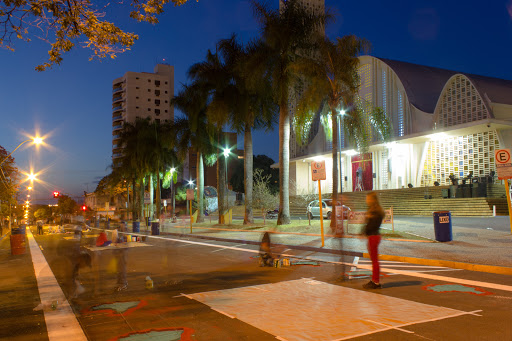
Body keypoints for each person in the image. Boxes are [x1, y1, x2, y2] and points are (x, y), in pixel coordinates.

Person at [362, 192, 385, 289]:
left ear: (372, 199)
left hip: (373, 236)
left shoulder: (375, 212)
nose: (366, 200)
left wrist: (369, 217)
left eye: (368, 198)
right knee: (374, 260)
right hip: (373, 236)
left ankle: (375, 282)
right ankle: (374, 280)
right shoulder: (374, 210)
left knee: (374, 260)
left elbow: (372, 225)